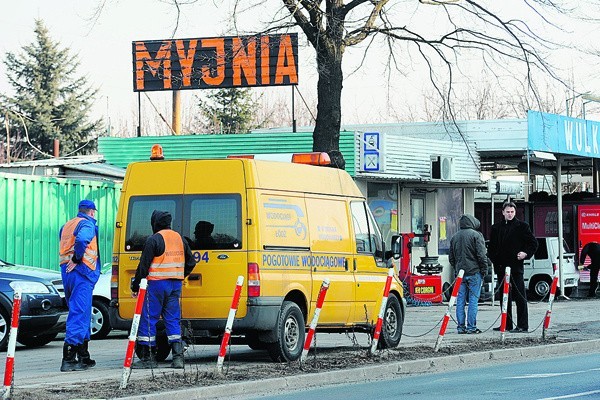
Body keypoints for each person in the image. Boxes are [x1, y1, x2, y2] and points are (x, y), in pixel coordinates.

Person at [130, 210, 195, 369]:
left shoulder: (154, 239)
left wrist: (136, 285)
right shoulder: (179, 238)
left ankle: (148, 358)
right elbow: (191, 262)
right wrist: (180, 274)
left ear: (155, 223)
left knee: (149, 319)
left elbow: (143, 266)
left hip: (156, 285)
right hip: (175, 285)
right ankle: (178, 358)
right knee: (172, 319)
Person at [59, 199, 101, 372]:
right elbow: (83, 240)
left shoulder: (67, 225)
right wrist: (77, 258)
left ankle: (83, 355)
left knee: (82, 311)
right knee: (79, 311)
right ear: (91, 212)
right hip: (82, 272)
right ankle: (69, 358)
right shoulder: (87, 224)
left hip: (68, 273)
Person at [488, 201, 538, 333]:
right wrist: (494, 260)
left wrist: (525, 254)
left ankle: (522, 325)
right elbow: (491, 247)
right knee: (504, 296)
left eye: (512, 212)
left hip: (516, 267)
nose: (510, 214)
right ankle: (506, 323)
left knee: (520, 296)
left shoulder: (522, 226)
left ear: (515, 212)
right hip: (500, 267)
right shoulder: (496, 228)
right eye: (508, 212)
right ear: (503, 212)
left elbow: (533, 243)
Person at [449, 214, 489, 334]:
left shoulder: (454, 237)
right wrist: (484, 270)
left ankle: (460, 327)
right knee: (473, 300)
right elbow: (482, 255)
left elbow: (451, 258)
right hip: (474, 272)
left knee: (460, 301)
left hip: (460, 274)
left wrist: (457, 268)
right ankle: (471, 327)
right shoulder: (476, 235)